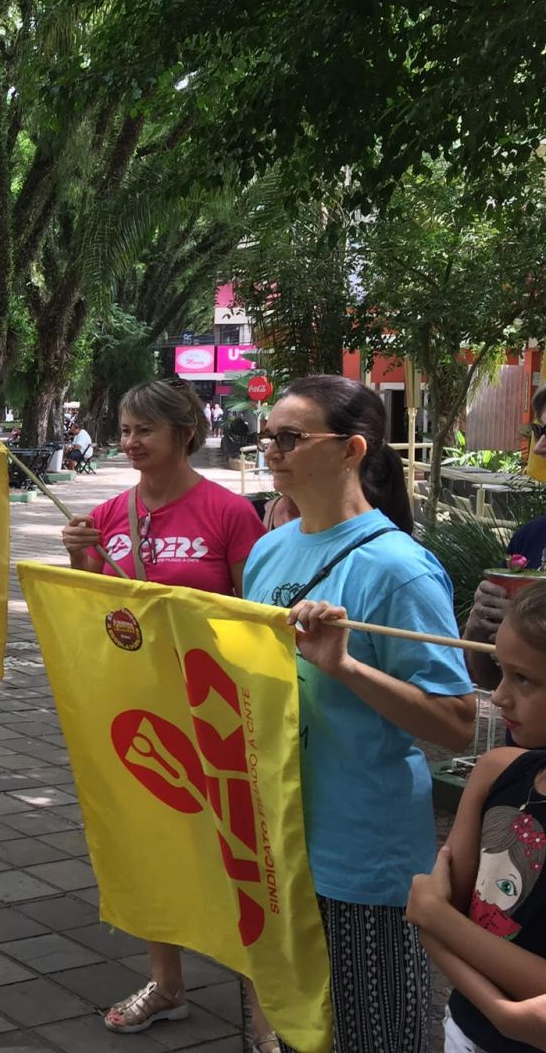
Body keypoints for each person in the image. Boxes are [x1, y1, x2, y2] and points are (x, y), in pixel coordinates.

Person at [242, 374, 476, 1052]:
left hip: (360, 851)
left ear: (350, 449)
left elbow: (456, 722)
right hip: (274, 833)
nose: (272, 450)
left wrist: (344, 665)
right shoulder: (269, 549)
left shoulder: (398, 568)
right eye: (268, 435)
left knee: (371, 1034)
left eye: (290, 437)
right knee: (286, 1026)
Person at [59, 378, 272, 1040]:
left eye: (143, 430)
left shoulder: (229, 513)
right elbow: (102, 617)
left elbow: (254, 616)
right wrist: (81, 563)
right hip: (137, 715)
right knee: (148, 844)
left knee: (239, 851)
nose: (129, 443)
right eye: (123, 430)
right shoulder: (107, 515)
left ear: (185, 434)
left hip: (216, 715)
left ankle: (265, 1004)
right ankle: (167, 981)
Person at [406, 580, 546, 1053]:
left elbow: (432, 912)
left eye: (524, 679)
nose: (500, 697)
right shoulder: (496, 772)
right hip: (463, 1031)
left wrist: (435, 918)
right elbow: (440, 914)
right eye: (501, 672)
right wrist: (436, 919)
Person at [463, 385, 546, 653]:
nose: (539, 448)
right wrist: (476, 629)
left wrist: (529, 627)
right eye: (539, 431)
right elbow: (491, 681)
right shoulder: (530, 536)